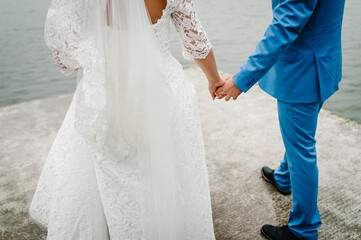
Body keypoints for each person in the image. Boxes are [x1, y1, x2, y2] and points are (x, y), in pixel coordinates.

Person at [30, 0, 224, 239]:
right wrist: (214, 79)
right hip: (161, 91)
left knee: (114, 178)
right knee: (168, 172)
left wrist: (102, 59)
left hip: (104, 95)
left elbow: (67, 56)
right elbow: (196, 42)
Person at [216, 0, 346, 239]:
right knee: (299, 138)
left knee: (301, 149)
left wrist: (241, 79)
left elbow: (285, 25)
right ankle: (284, 178)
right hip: (323, 61)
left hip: (302, 71)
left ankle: (303, 230)